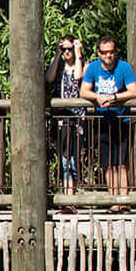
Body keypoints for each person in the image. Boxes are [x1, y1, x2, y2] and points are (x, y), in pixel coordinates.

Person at [79, 36, 136, 195]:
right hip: (103, 121)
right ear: (99, 53)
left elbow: (133, 91)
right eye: (104, 52)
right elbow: (84, 91)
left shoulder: (124, 67)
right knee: (108, 162)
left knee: (122, 162)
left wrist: (114, 97)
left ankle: (123, 199)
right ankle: (113, 199)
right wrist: (97, 97)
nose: (108, 56)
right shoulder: (93, 68)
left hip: (121, 119)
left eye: (111, 52)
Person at [46, 35, 87, 188]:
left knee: (74, 156)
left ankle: (72, 192)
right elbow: (49, 78)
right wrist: (57, 54)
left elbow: (78, 76)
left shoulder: (83, 65)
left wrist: (79, 54)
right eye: (64, 49)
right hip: (60, 116)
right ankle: (66, 191)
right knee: (63, 156)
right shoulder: (58, 67)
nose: (67, 52)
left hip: (77, 117)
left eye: (70, 49)